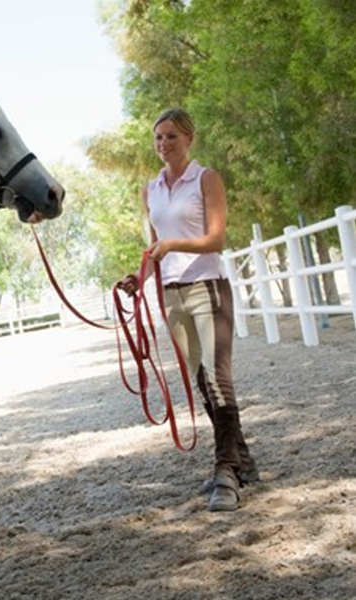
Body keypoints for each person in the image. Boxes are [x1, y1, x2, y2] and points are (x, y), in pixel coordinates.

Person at [119, 108, 258, 512]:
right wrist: (138, 277)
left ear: (189, 139)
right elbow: (154, 246)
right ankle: (241, 460)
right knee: (201, 380)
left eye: (171, 137)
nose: (163, 145)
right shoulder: (151, 190)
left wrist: (172, 246)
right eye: (158, 138)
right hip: (170, 294)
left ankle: (226, 471)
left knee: (218, 379)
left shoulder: (206, 178)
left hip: (207, 288)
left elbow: (215, 239)